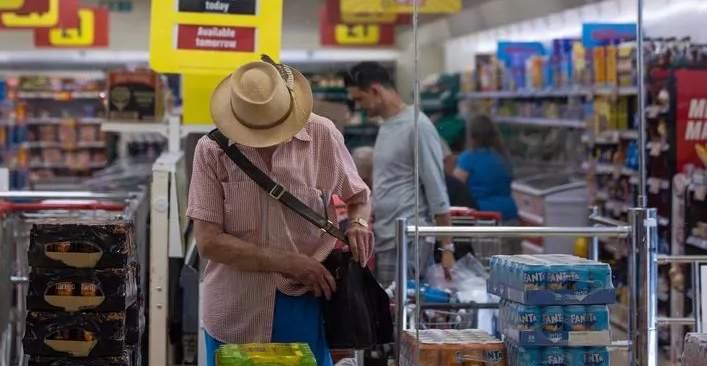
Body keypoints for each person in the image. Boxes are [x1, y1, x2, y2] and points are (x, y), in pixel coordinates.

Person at [188, 59, 373, 366]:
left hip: (306, 302)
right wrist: (289, 262)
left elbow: (359, 196)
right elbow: (208, 242)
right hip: (236, 307)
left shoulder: (321, 135)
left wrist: (357, 223)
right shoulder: (211, 151)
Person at [346, 61, 455, 287]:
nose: (359, 107)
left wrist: (447, 248)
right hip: (387, 236)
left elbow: (437, 191)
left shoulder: (417, 126)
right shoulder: (387, 125)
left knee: (398, 313)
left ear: (376, 90)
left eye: (360, 99)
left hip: (407, 241)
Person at [453, 114, 519, 222]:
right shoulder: (503, 156)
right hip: (509, 212)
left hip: (483, 216)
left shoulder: (468, 158)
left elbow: (456, 187)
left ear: (471, 135)